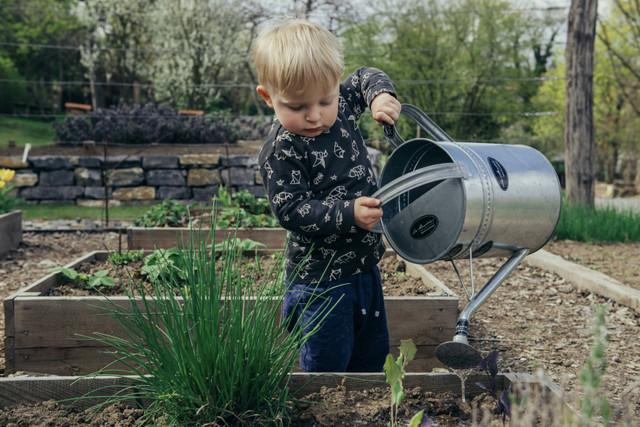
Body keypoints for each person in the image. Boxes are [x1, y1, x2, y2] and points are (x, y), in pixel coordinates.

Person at [253, 17, 402, 372]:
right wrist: (348, 213)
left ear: (336, 85)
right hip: (320, 282)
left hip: (365, 268)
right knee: (327, 365)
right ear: (267, 97)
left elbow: (366, 75)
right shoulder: (282, 150)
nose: (315, 116)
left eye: (325, 100)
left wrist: (381, 95)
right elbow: (291, 209)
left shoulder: (345, 105)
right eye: (296, 106)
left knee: (371, 356)